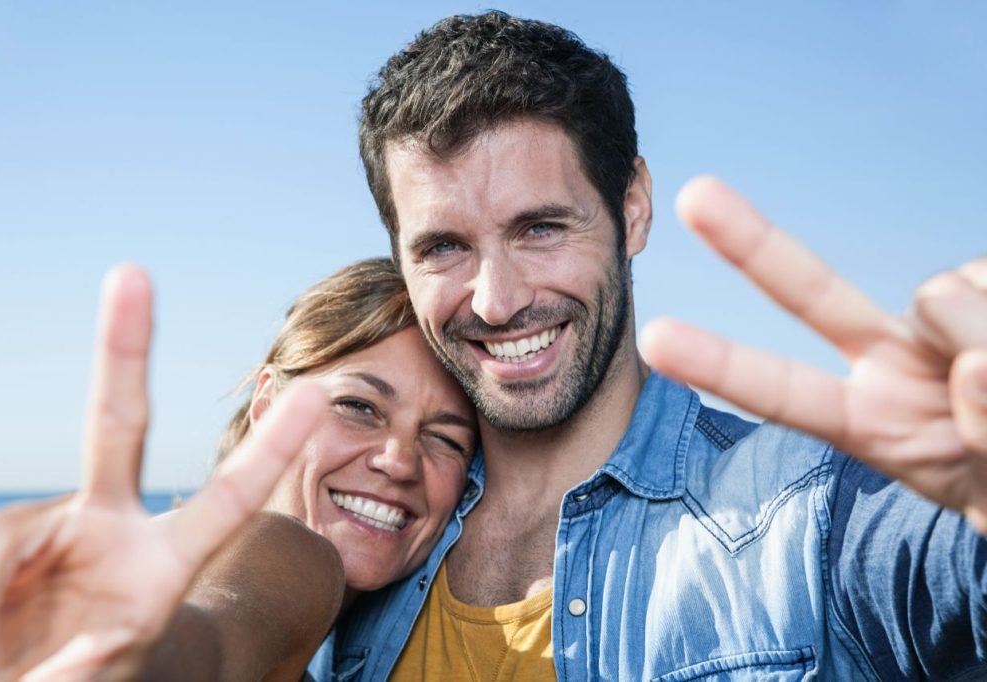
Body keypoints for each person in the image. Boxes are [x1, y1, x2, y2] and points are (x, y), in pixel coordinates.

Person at [307, 11, 987, 680]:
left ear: (632, 209)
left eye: (539, 229)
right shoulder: (381, 539)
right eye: (445, 246)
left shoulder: (807, 513)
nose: (497, 301)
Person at [0, 257, 477, 680]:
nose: (400, 461)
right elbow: (220, 626)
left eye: (445, 439)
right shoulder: (287, 550)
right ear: (267, 406)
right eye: (359, 407)